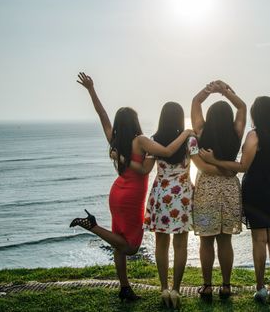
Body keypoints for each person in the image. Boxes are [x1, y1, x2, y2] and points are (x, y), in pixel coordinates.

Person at [69, 73, 192, 302]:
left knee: (118, 241)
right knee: (132, 246)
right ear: (134, 122)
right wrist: (185, 132)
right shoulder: (141, 141)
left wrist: (91, 90)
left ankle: (125, 288)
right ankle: (94, 226)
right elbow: (164, 154)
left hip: (116, 193)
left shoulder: (114, 140)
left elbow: (102, 115)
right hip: (132, 197)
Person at [199, 45, 270, 302]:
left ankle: (260, 288)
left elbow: (242, 167)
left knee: (259, 239)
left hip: (256, 186)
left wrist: (214, 159)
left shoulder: (254, 136)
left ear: (256, 114)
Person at [127, 101, 229, 308]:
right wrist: (227, 169)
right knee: (180, 245)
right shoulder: (189, 141)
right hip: (182, 195)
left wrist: (121, 159)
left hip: (161, 194)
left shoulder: (154, 141)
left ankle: (164, 287)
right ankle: (176, 289)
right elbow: (202, 166)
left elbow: (145, 169)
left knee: (161, 245)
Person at [190, 80, 246, 300]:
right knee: (225, 240)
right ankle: (226, 286)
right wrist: (225, 92)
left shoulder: (201, 131)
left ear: (210, 116)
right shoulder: (236, 133)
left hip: (206, 190)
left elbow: (195, 102)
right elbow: (242, 107)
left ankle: (206, 286)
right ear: (228, 118)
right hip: (230, 189)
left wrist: (208, 90)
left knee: (206, 239)